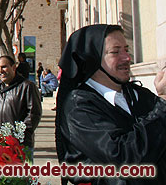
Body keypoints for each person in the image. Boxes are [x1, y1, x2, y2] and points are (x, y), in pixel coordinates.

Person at [55, 24, 166, 184]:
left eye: (126, 50)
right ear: (93, 59)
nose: (127, 58)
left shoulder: (138, 95)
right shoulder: (79, 106)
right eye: (115, 52)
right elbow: (123, 157)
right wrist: (163, 103)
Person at [0, 55, 42, 151]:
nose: (1, 71)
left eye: (4, 67)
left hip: (21, 143)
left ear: (13, 67)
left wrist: (20, 133)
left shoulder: (27, 86)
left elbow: (34, 113)